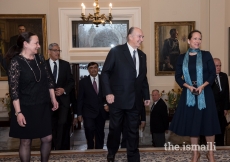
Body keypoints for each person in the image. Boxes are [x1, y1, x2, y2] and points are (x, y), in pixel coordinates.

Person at [169, 30, 221, 162]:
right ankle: (195, 153)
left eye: (200, 39)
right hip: (189, 93)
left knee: (209, 126)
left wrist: (202, 86)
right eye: (195, 38)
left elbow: (212, 74)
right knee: (194, 126)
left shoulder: (206, 55)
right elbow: (177, 77)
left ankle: (210, 153)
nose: (198, 41)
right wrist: (189, 86)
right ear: (189, 41)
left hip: (205, 92)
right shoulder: (181, 57)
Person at [6, 32, 58, 162]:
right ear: (25, 44)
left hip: (42, 105)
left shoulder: (40, 58)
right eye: (36, 43)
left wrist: (53, 98)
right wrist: (18, 113)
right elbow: (14, 90)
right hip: (25, 107)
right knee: (25, 141)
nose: (38, 46)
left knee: (48, 138)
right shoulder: (16, 62)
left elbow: (49, 80)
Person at [101, 27, 150, 162]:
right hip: (117, 99)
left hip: (135, 100)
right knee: (115, 129)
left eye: (142, 37)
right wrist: (108, 93)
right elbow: (105, 73)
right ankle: (111, 152)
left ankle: (133, 157)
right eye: (139, 36)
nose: (141, 39)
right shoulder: (116, 51)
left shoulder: (142, 55)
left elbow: (142, 77)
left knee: (133, 131)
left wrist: (146, 96)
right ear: (130, 36)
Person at [46, 43, 75, 150]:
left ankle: (60, 149)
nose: (57, 53)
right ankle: (51, 147)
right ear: (49, 51)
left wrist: (64, 90)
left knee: (62, 124)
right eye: (54, 50)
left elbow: (71, 82)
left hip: (63, 101)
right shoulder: (43, 65)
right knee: (50, 125)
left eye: (59, 50)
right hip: (48, 102)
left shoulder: (65, 65)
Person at [76, 62, 109, 149]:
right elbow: (80, 98)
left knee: (100, 132)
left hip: (101, 111)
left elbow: (108, 94)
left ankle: (99, 149)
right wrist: (79, 113)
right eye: (91, 68)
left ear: (98, 69)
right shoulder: (83, 82)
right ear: (88, 70)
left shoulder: (104, 79)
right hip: (88, 112)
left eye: (95, 67)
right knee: (89, 129)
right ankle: (90, 147)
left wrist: (106, 104)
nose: (93, 69)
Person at [211, 58, 229, 146]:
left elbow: (226, 93)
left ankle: (220, 147)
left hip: (221, 109)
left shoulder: (224, 76)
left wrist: (226, 108)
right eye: (216, 66)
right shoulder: (208, 76)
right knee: (211, 130)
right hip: (211, 109)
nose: (219, 67)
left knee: (221, 129)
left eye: (220, 65)